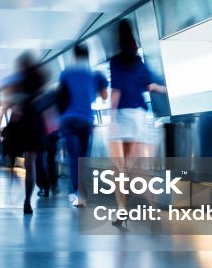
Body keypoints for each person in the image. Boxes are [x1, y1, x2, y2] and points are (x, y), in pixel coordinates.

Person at [106, 19, 166, 227]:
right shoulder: (138, 61)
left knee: (119, 168)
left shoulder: (115, 61)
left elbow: (116, 91)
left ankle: (122, 210)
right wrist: (165, 88)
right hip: (139, 115)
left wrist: (111, 118)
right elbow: (149, 86)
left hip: (122, 115)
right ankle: (153, 206)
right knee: (136, 167)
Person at [57, 43, 108, 207]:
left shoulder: (66, 74)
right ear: (88, 56)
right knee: (83, 158)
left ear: (74, 56)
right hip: (86, 120)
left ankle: (78, 193)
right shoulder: (95, 75)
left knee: (74, 157)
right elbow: (105, 96)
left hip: (69, 120)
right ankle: (82, 193)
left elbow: (62, 97)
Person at [2, 52, 47, 214]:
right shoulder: (38, 80)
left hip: (19, 123)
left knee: (14, 156)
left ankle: (14, 180)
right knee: (30, 165)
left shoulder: (17, 81)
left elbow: (10, 99)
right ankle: (27, 201)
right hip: (34, 123)